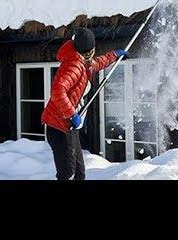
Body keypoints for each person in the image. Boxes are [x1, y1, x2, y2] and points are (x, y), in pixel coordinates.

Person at [41, 27, 128, 180]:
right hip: (59, 127)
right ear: (91, 49)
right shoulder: (74, 65)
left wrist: (114, 55)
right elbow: (57, 90)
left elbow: (97, 63)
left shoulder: (82, 61)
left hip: (68, 127)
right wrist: (72, 114)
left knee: (79, 173)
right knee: (68, 174)